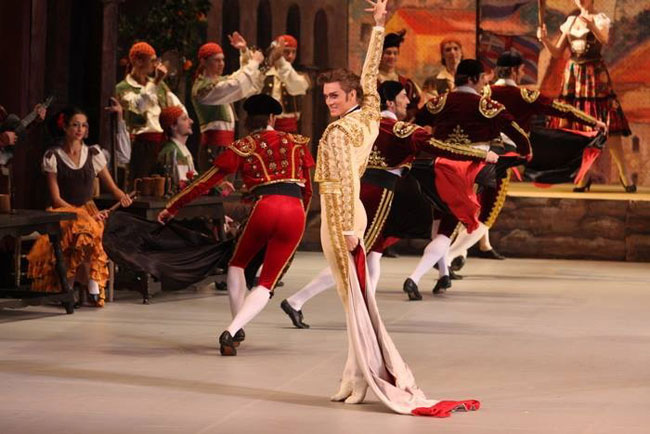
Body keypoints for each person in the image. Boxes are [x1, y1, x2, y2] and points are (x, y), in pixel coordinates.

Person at [312, 0, 479, 417]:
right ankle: (352, 376)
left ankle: (361, 377)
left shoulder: (356, 121)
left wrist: (348, 227)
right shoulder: (365, 112)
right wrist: (378, 27)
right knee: (351, 301)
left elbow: (349, 180)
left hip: (344, 214)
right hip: (337, 212)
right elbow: (370, 74)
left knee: (355, 301)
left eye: (334, 95)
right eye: (326, 96)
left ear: (351, 96)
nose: (329, 101)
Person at [280, 80, 495, 328]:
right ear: (391, 101)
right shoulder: (399, 129)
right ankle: (297, 300)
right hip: (378, 194)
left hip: (358, 191)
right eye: (404, 96)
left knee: (373, 256)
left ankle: (367, 312)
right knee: (352, 257)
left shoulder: (358, 124)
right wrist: (480, 154)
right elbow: (440, 147)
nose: (408, 101)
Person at [157, 94, 314, 356]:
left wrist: (172, 207)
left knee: (237, 264)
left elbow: (205, 181)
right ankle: (232, 330)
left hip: (264, 207)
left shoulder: (243, 146)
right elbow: (308, 191)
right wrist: (299, 220)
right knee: (266, 283)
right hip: (294, 211)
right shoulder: (297, 143)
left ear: (246, 120)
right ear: (273, 118)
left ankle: (236, 328)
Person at [446, 50, 607, 272]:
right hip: (501, 159)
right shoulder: (523, 95)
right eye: (521, 70)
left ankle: (455, 254)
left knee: (469, 208)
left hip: (470, 157)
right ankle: (448, 255)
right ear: (514, 71)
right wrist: (592, 121)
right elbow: (560, 109)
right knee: (487, 214)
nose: (522, 73)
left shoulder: (482, 93)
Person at [404, 59, 531, 298]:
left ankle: (443, 276)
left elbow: (414, 126)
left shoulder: (438, 102)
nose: (485, 82)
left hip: (437, 166)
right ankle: (414, 277)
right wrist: (526, 150)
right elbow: (517, 132)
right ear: (474, 79)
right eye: (482, 78)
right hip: (467, 171)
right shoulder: (486, 105)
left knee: (439, 218)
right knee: (449, 227)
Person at [27, 107, 132, 307]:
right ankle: (79, 285)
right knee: (81, 228)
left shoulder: (93, 153)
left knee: (90, 230)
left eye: (83, 125)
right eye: (75, 124)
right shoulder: (53, 156)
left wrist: (124, 197)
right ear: (65, 127)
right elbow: (56, 198)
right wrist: (80, 214)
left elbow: (113, 187)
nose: (80, 129)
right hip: (62, 212)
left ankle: (84, 283)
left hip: (89, 211)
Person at [538, 0, 635, 192]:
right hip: (574, 75)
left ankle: (624, 171)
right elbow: (558, 52)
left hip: (594, 74)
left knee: (607, 121)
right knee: (578, 126)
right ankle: (584, 174)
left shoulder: (600, 19)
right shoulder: (571, 21)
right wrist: (544, 40)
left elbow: (604, 40)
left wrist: (591, 26)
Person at [115, 41, 185, 185]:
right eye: (152, 60)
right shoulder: (123, 88)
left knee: (165, 186)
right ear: (137, 61)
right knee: (141, 185)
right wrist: (157, 81)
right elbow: (138, 106)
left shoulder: (159, 85)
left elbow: (178, 107)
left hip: (163, 143)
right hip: (140, 146)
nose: (155, 64)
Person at [192, 35, 264, 171]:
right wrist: (253, 62)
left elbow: (241, 80)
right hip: (213, 148)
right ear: (203, 62)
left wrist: (243, 51)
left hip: (225, 146)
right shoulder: (203, 88)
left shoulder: (219, 81)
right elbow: (237, 84)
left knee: (226, 188)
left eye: (222, 60)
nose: (221, 64)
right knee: (216, 189)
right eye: (216, 60)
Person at [258, 34, 310, 133]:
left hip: (289, 129)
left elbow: (295, 85)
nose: (290, 56)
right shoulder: (263, 75)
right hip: (264, 127)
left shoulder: (300, 76)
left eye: (293, 52)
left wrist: (280, 60)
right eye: (286, 51)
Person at [377, 29, 421, 120]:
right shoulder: (372, 82)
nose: (392, 56)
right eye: (388, 53)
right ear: (380, 55)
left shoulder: (407, 84)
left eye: (395, 53)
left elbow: (413, 108)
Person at [157, 106, 197, 186]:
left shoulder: (181, 149)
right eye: (184, 119)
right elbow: (182, 184)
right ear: (173, 126)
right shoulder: (172, 151)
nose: (191, 121)